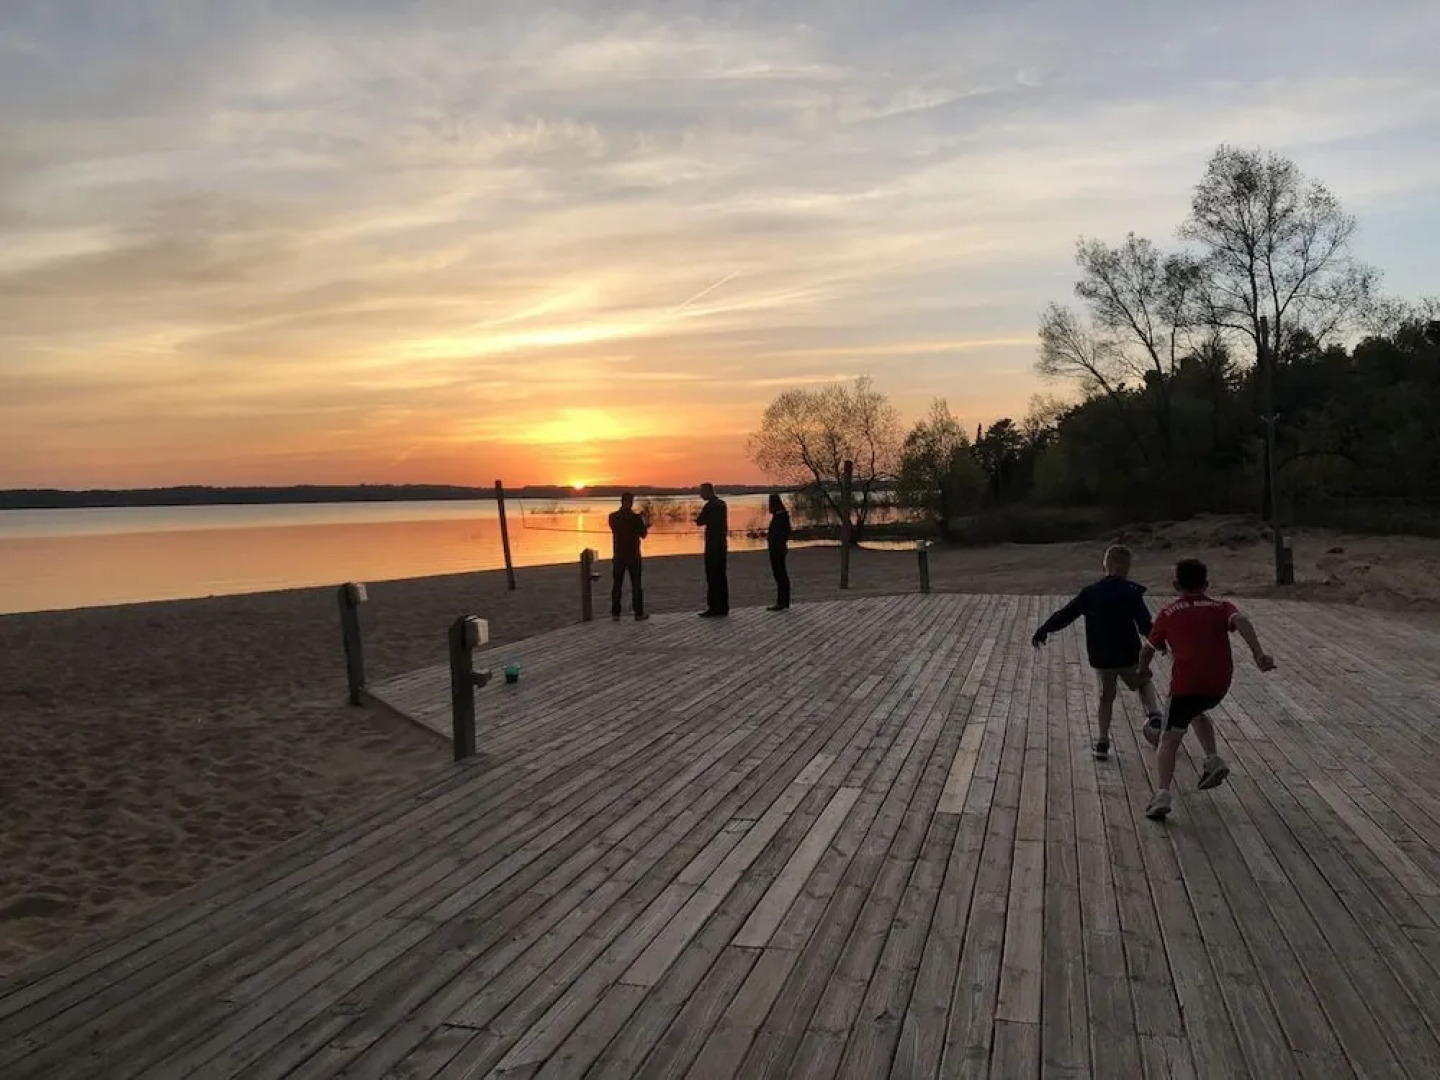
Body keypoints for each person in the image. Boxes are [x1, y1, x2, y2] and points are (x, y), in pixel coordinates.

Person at [1137, 557, 1276, 821]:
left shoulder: (1168, 612)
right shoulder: (1221, 606)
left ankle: (1162, 794)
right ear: (1206, 583)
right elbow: (1242, 620)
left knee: (1168, 740)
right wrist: (1258, 654)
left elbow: (1147, 649)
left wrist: (1143, 670)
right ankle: (1213, 760)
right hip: (1218, 685)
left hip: (1186, 686)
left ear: (1176, 584)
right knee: (1197, 711)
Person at [1032, 544, 1163, 760]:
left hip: (1101, 656)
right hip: (1128, 652)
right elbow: (1144, 624)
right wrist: (1159, 643)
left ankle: (1102, 740)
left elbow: (1066, 614)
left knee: (1105, 696)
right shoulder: (1131, 592)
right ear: (1127, 567)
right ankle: (1153, 713)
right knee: (1143, 680)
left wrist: (1044, 629)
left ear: (1106, 564)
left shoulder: (1090, 593)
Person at [607, 493, 649, 621]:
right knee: (636, 584)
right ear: (630, 502)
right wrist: (644, 521)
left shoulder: (613, 517)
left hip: (619, 554)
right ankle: (638, 613)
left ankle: (615, 613)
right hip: (633, 555)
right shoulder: (635, 518)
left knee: (617, 584)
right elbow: (643, 534)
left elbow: (616, 530)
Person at [695, 482, 729, 616]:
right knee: (721, 576)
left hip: (712, 545)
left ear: (708, 492)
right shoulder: (722, 504)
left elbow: (699, 521)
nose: (700, 494)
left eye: (702, 492)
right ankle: (723, 606)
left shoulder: (710, 506)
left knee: (712, 576)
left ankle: (714, 606)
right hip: (722, 544)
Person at [766, 492, 792, 611]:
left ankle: (782, 601)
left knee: (780, 575)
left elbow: (781, 534)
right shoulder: (780, 516)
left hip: (777, 549)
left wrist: (776, 543)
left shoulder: (780, 517)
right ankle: (783, 601)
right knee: (781, 575)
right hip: (778, 548)